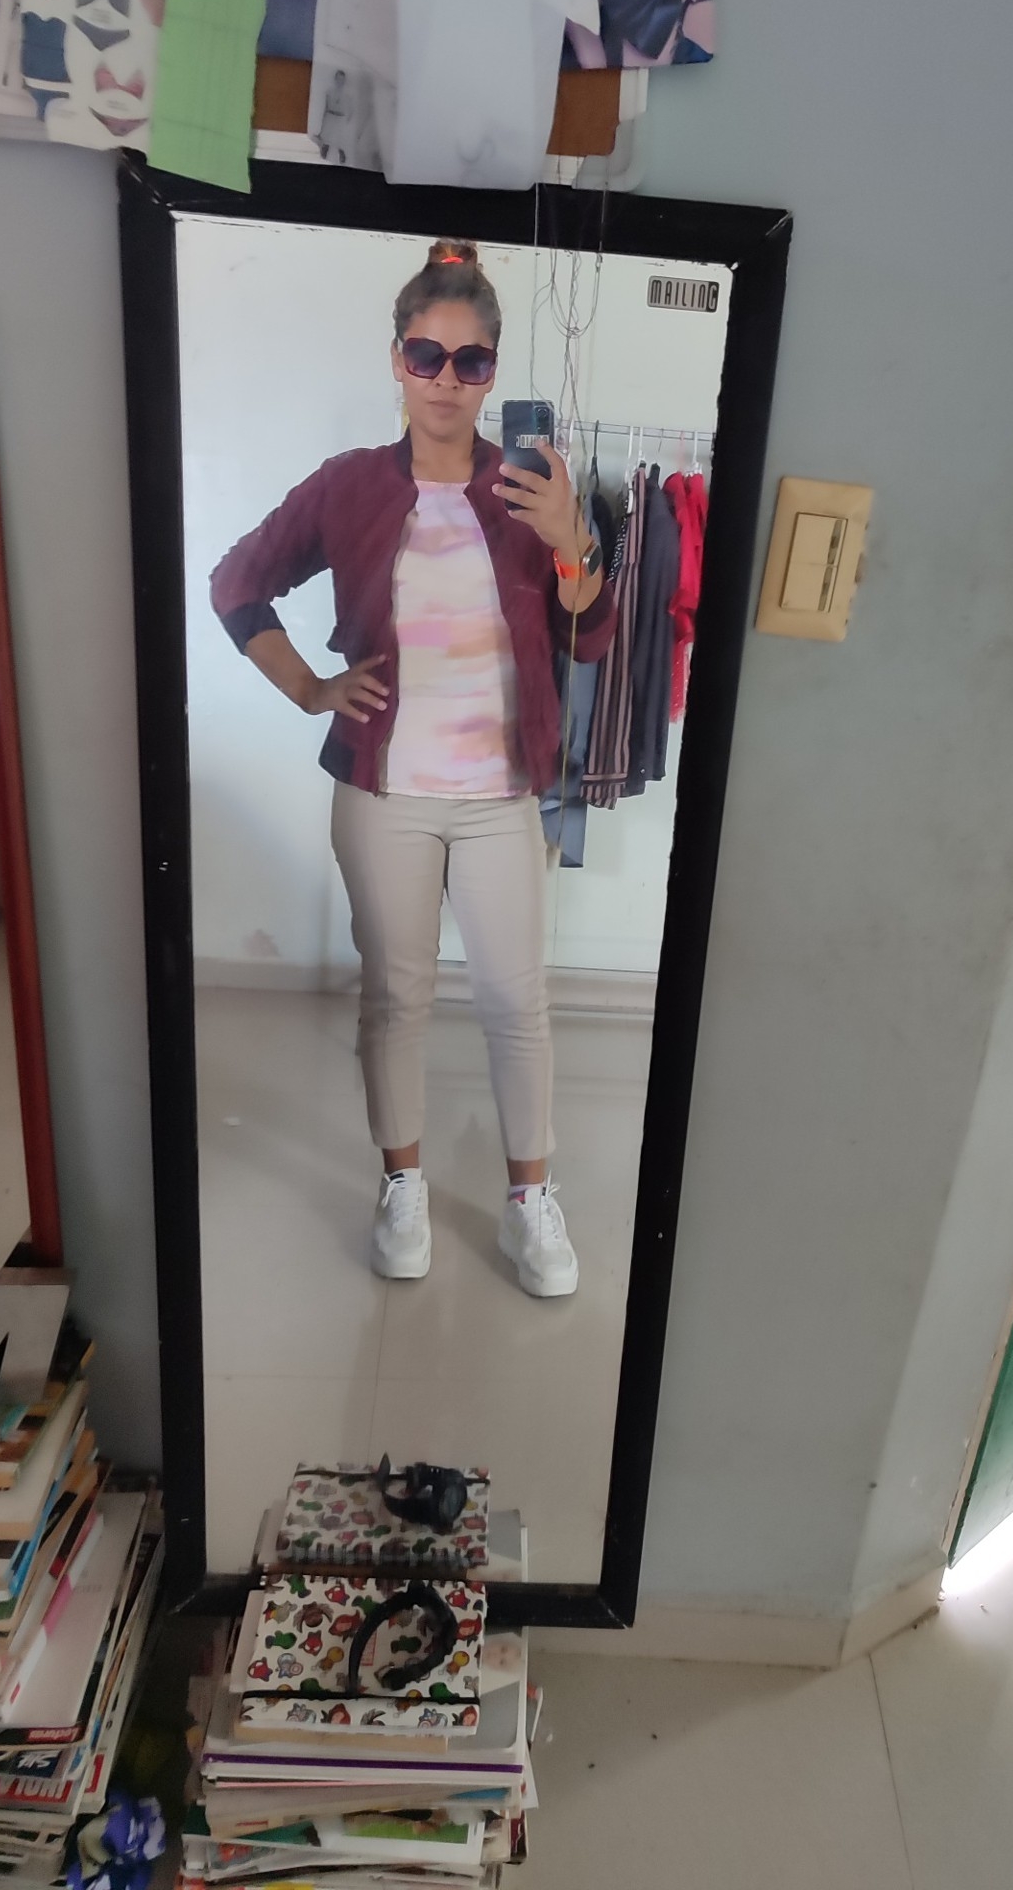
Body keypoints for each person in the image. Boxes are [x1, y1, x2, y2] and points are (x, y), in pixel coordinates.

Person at [210, 239, 615, 1299]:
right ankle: (403, 1186)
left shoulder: (531, 492)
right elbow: (236, 582)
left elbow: (592, 638)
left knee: (517, 1001)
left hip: (499, 795)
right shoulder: (348, 486)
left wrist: (571, 539)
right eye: (426, 356)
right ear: (397, 359)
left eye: (470, 361)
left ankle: (530, 1201)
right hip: (382, 793)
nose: (446, 380)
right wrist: (309, 689)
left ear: (492, 372)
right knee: (395, 999)